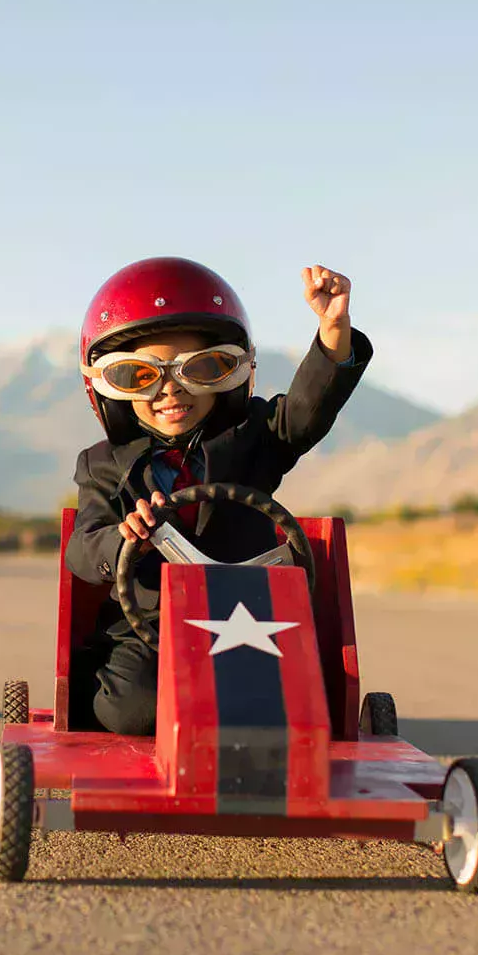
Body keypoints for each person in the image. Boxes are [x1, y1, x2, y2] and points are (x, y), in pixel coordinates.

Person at [65, 256, 372, 734]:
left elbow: (307, 413)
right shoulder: (102, 464)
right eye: (140, 376)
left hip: (254, 620)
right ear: (108, 386)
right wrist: (123, 540)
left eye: (201, 369)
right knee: (129, 711)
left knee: (289, 712)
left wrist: (333, 332)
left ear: (233, 372)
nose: (171, 391)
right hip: (150, 630)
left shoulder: (254, 436)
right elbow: (83, 549)